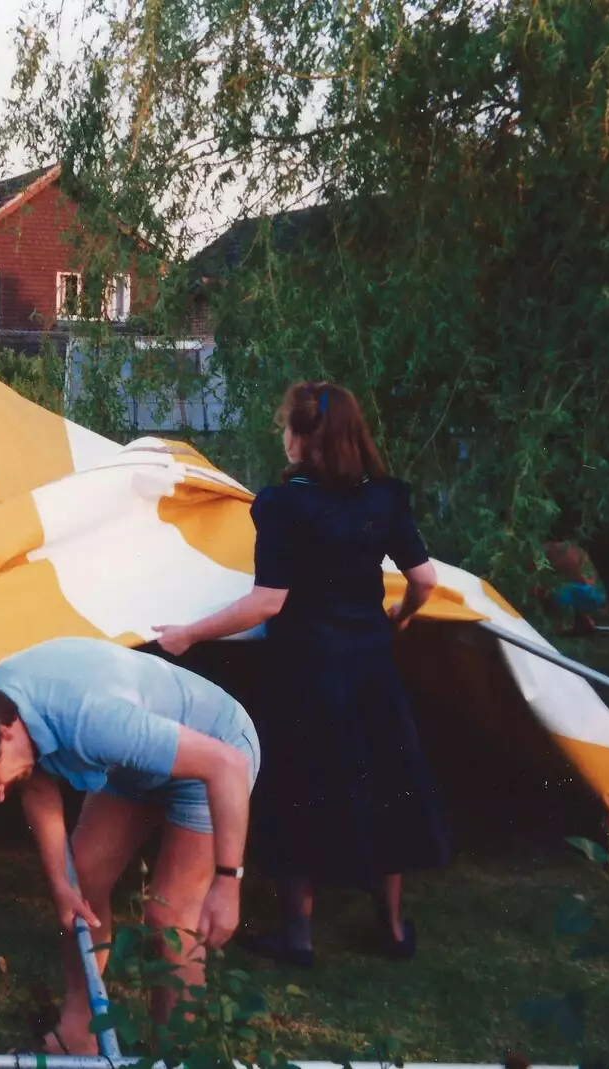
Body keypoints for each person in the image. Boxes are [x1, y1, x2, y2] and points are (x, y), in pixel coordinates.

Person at [153, 381, 450, 968]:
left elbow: (267, 603)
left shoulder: (285, 506)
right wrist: (398, 615)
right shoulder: (385, 498)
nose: (282, 437)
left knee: (300, 787)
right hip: (368, 664)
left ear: (304, 437)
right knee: (383, 782)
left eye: (286, 427)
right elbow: (427, 580)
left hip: (307, 668)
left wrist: (188, 633)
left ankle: (298, 935)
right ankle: (391, 928)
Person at [0, 637, 259, 1051]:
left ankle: (176, 1053)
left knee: (171, 916)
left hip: (214, 750)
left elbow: (226, 766)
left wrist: (228, 883)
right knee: (83, 881)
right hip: (136, 762)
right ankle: (80, 1030)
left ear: (5, 734)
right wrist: (61, 883)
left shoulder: (93, 720)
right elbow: (36, 788)